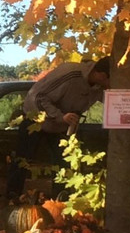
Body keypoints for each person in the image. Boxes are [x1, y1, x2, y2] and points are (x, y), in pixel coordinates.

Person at [7, 57, 111, 200]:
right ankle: (12, 197)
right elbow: (37, 97)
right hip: (36, 119)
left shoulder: (99, 87)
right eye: (111, 81)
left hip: (61, 126)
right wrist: (59, 116)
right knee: (22, 160)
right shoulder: (71, 74)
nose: (111, 86)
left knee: (63, 164)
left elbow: (115, 101)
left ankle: (60, 200)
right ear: (102, 76)